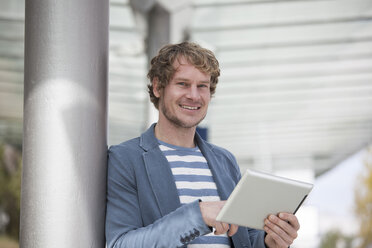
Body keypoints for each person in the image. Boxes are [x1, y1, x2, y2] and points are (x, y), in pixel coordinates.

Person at [105, 42, 300, 248]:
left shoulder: (225, 160)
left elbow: (245, 240)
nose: (194, 95)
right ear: (158, 87)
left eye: (202, 86)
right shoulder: (126, 158)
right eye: (182, 84)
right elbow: (120, 243)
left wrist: (271, 242)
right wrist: (197, 216)